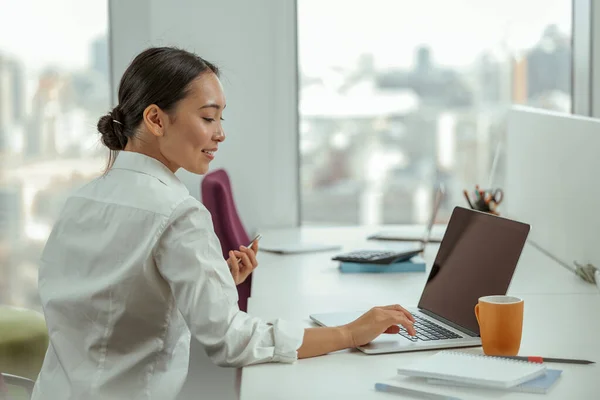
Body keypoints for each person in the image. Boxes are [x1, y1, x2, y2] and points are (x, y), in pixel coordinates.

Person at [31, 47, 416, 399]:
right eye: (208, 117)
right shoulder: (178, 212)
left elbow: (111, 305)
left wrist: (208, 282)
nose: (220, 133)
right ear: (155, 119)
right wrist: (348, 333)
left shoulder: (79, 200)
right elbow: (231, 341)